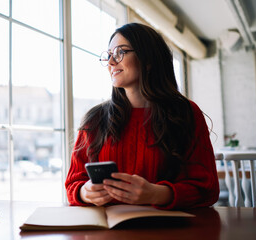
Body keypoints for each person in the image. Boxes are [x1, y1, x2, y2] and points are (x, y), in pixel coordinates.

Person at [65, 23, 219, 209]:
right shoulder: (95, 119)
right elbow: (73, 184)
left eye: (120, 52)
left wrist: (156, 194)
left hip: (167, 230)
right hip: (107, 232)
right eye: (109, 55)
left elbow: (207, 189)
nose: (112, 62)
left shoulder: (186, 113)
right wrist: (84, 192)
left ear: (148, 60)